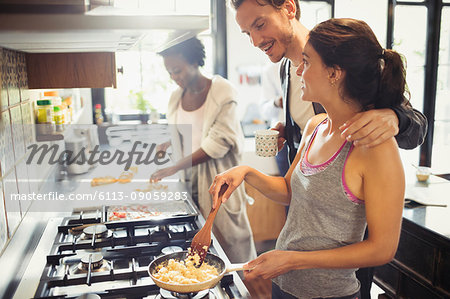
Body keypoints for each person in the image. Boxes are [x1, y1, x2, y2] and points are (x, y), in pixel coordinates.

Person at [229, 1, 427, 297]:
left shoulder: (340, 50)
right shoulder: (289, 73)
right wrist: (288, 135)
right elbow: (303, 151)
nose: (256, 41)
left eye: (259, 25)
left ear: (288, 9)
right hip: (301, 240)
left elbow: (417, 125)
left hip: (342, 253)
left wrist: (394, 116)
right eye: (247, 33)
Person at [150, 37, 257, 264]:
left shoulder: (223, 93)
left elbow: (217, 143)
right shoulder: (175, 97)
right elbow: (187, 132)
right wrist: (167, 144)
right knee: (197, 248)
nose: (174, 77)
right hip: (187, 183)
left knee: (230, 249)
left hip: (218, 182)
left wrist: (173, 168)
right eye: (169, 72)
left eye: (177, 70)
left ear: (195, 61)